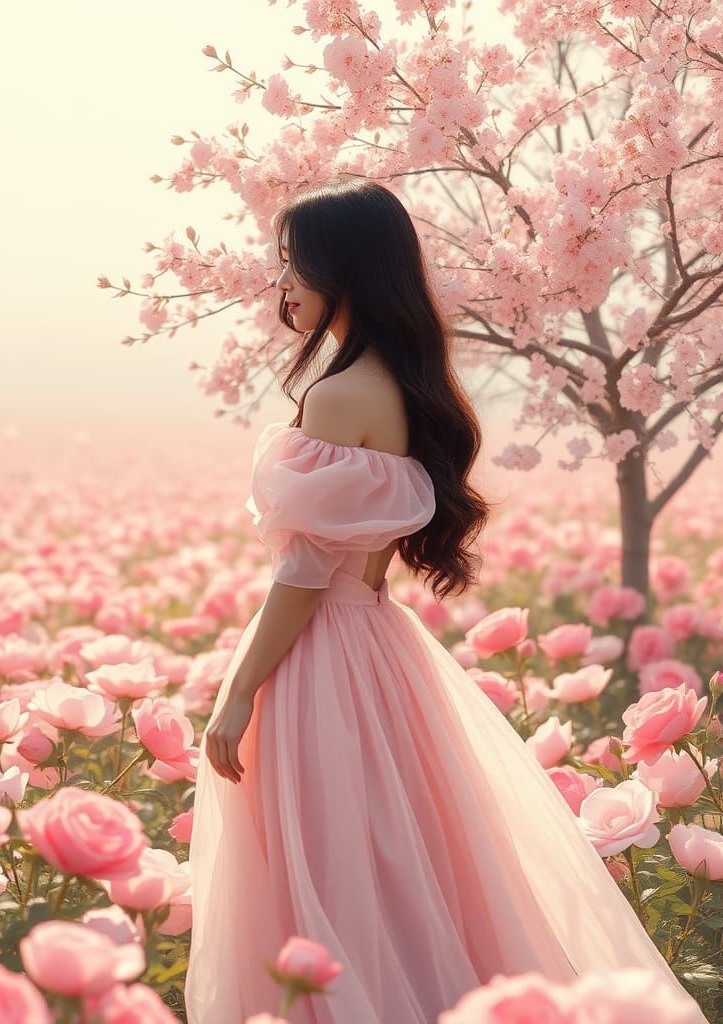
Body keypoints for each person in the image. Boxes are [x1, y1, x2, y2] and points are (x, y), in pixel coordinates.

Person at [183, 179, 709, 1024]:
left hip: (321, 653)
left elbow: (305, 574)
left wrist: (239, 692)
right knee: (402, 861)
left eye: (295, 264)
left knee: (324, 869)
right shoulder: (404, 382)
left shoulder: (336, 395)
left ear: (343, 270)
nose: (281, 283)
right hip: (381, 648)